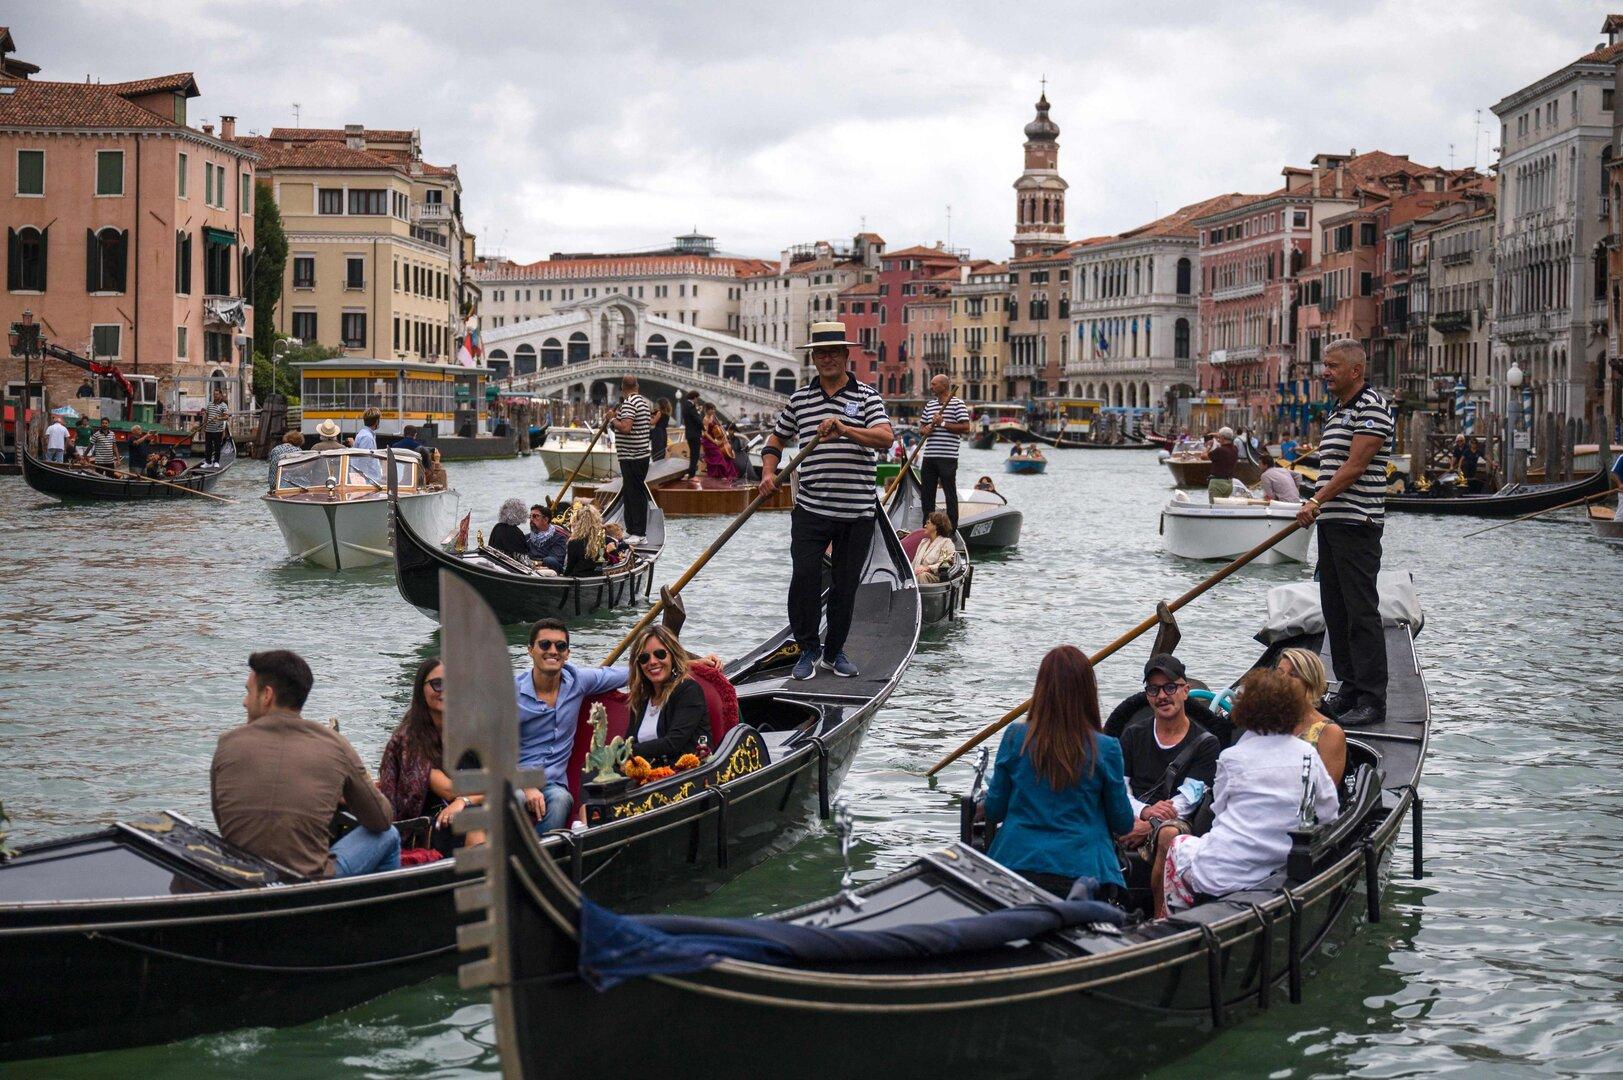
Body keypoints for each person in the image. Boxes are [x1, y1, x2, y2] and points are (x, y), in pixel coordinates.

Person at [758, 320, 894, 681]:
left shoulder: (867, 397)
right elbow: (775, 441)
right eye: (822, 352)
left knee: (845, 586)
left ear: (846, 355)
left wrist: (845, 428)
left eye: (834, 352)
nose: (828, 358)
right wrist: (768, 473)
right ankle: (807, 648)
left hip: (857, 510)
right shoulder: (800, 400)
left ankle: (834, 652)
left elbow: (884, 438)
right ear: (814, 358)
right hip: (811, 507)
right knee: (804, 577)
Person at [1156, 669, 1339, 916]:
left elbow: (1219, 812)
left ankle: (1166, 919)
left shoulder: (1232, 758)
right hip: (1281, 865)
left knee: (1177, 845)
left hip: (1225, 872)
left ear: (1246, 710)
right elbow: (1329, 813)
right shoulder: (1308, 755)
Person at [211, 650, 399, 879]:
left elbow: (223, 822)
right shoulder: (335, 745)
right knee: (389, 835)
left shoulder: (227, 743)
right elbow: (381, 819)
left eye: (248, 692)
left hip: (241, 877)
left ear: (267, 695)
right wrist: (343, 791)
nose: (244, 702)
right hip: (309, 882)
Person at [984, 645, 1136, 901]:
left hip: (1015, 863)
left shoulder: (1015, 737)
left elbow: (994, 810)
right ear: (1088, 691)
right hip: (1084, 871)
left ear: (1041, 690)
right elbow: (1122, 822)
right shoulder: (1107, 749)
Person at [1295, 339, 1393, 728]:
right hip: (1333, 524)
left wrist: (1315, 500)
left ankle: (1373, 699)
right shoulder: (1337, 411)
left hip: (1357, 523)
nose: (1325, 372)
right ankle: (1350, 688)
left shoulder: (1373, 407)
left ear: (1355, 370)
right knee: (1335, 610)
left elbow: (1354, 467)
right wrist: (1321, 507)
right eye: (1325, 365)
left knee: (1360, 613)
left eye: (1333, 366)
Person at [1109, 655, 1223, 882]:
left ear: (1185, 691)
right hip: (1134, 812)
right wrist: (1142, 812)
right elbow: (1120, 787)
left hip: (1177, 820)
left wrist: (1151, 824)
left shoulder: (1206, 743)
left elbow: (1189, 799)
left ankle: (1161, 912)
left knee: (1168, 833)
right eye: (1153, 690)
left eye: (1170, 687)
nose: (1162, 696)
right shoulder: (1132, 735)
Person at [514, 618, 629, 832]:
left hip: (554, 784)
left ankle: (539, 857)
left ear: (567, 653)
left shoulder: (578, 681)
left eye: (560, 646)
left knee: (560, 801)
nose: (553, 651)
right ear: (530, 650)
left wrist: (688, 664)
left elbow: (632, 672)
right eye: (545, 644)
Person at [378, 657, 485, 851]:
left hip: (462, 808)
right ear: (421, 689)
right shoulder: (409, 738)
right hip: (424, 823)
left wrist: (464, 800)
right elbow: (449, 790)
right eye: (437, 684)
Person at [625, 625, 713, 767]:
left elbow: (673, 743)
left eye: (660, 654)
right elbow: (629, 741)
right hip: (647, 776)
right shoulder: (641, 699)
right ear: (639, 664)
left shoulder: (689, 691)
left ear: (672, 655)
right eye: (644, 657)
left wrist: (625, 751)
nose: (652, 662)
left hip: (685, 775)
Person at [1276, 647, 1347, 785]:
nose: (1282, 680)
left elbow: (1325, 794)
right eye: (1279, 673)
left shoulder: (1330, 733)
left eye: (1293, 675)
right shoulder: (1264, 720)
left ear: (1309, 683)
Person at [918, 374, 971, 529]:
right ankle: (927, 527)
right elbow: (921, 428)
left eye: (934, 384)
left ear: (943, 386)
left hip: (948, 457)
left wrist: (943, 423)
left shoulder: (957, 404)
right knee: (927, 494)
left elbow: (966, 428)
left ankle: (952, 527)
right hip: (929, 456)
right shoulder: (929, 405)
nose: (931, 387)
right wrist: (925, 429)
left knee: (949, 493)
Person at [611, 375, 652, 538]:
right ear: (637, 386)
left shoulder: (629, 403)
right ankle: (631, 530)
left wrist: (612, 419)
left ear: (622, 388)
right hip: (637, 455)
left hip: (633, 456)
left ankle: (639, 533)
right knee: (630, 493)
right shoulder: (643, 402)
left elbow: (626, 428)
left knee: (635, 494)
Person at [910, 510, 957, 583]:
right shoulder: (923, 542)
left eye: (928, 523)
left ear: (936, 526)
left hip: (934, 579)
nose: (925, 526)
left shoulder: (945, 543)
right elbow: (914, 563)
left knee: (922, 575)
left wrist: (928, 568)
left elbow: (945, 563)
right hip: (917, 577)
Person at [565, 499, 608, 576]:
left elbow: (570, 566)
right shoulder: (601, 538)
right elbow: (601, 563)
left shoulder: (574, 542)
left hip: (577, 577)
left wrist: (564, 576)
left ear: (579, 522)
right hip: (597, 577)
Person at [700, 403, 738, 480]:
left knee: (724, 456)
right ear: (707, 410)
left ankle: (724, 475)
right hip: (708, 441)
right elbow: (705, 433)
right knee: (718, 455)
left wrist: (721, 430)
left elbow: (718, 427)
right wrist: (714, 441)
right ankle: (721, 475)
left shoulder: (713, 417)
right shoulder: (705, 419)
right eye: (712, 409)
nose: (714, 411)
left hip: (714, 439)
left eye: (714, 409)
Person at [527, 503, 568, 572]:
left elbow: (555, 560)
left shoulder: (559, 538)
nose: (531, 519)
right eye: (530, 516)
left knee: (549, 560)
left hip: (551, 571)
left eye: (535, 516)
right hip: (528, 569)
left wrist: (535, 563)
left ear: (545, 520)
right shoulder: (527, 538)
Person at [200, 389, 230, 467]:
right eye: (214, 394)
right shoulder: (210, 404)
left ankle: (216, 462)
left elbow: (226, 417)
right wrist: (204, 425)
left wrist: (219, 418)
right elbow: (206, 415)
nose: (215, 396)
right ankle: (208, 462)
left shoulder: (223, 405)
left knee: (217, 447)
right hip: (208, 429)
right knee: (208, 447)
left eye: (216, 394)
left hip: (218, 430)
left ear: (220, 395)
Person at [352, 406, 383, 483]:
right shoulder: (367, 437)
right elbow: (363, 461)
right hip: (369, 481)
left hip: (368, 479)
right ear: (376, 421)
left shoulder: (364, 434)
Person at [1208, 426, 1239, 499]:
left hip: (1217, 483)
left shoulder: (1220, 450)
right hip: (1229, 483)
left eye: (1219, 437)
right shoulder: (1235, 449)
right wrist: (1219, 436)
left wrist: (1209, 446)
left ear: (1222, 437)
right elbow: (1229, 439)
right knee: (1223, 507)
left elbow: (1203, 456)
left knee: (1215, 507)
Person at [682, 390, 704, 480]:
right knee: (695, 454)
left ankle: (691, 473)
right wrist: (704, 428)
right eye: (697, 398)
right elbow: (697, 419)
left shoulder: (686, 405)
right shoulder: (691, 406)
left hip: (689, 433)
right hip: (694, 434)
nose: (697, 400)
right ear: (694, 398)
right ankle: (692, 475)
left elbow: (691, 417)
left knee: (693, 453)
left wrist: (696, 411)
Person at [651, 398, 673, 463]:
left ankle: (656, 470)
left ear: (661, 405)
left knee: (656, 452)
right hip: (663, 434)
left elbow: (653, 422)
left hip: (658, 434)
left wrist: (645, 418)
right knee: (661, 452)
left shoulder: (659, 413)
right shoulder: (667, 414)